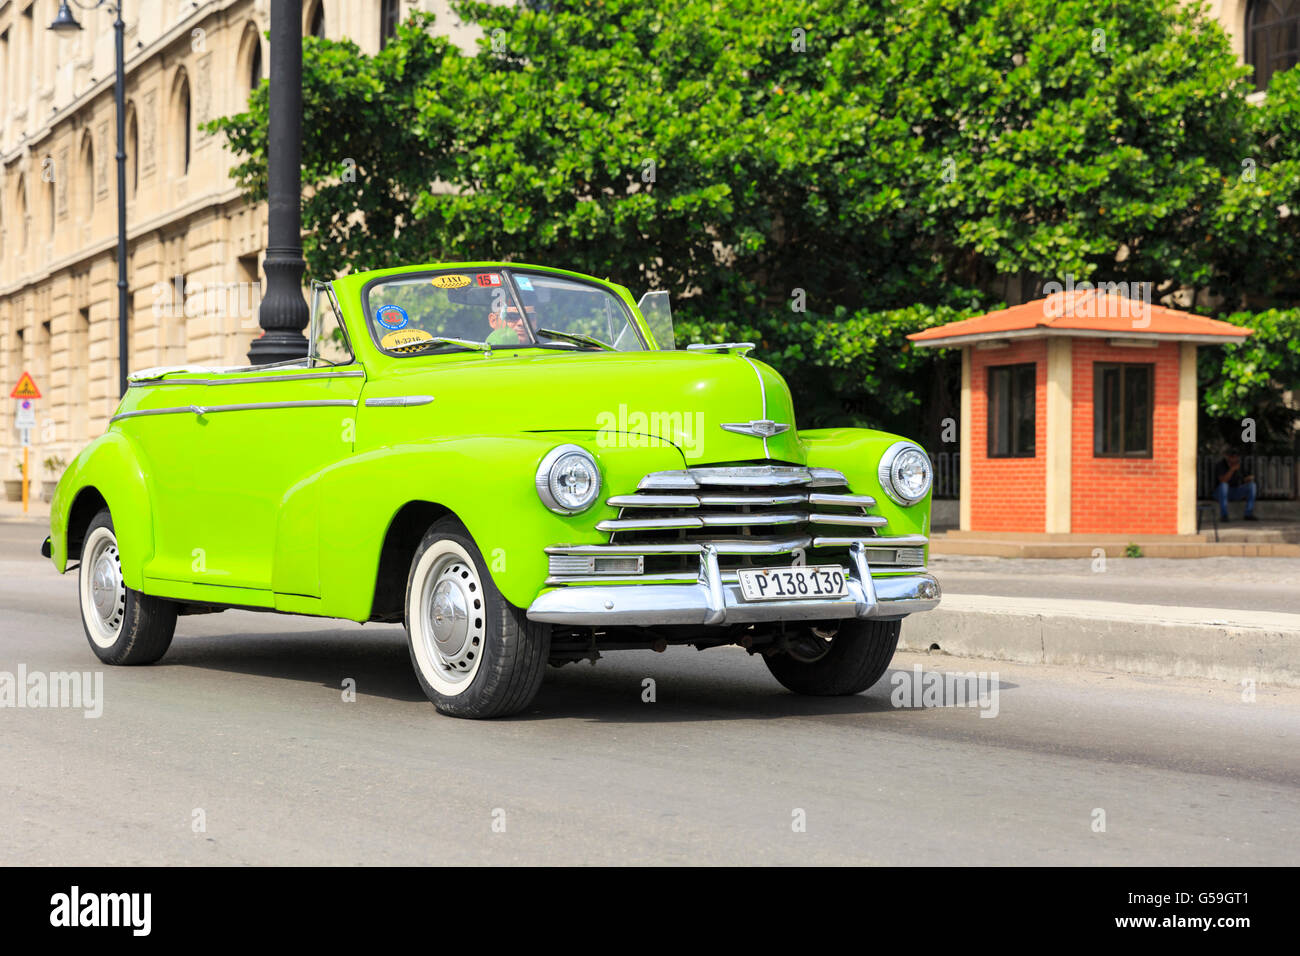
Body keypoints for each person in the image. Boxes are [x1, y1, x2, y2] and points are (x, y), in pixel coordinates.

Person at [1214, 450, 1257, 521]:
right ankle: (1224, 515)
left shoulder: (1239, 465)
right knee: (1224, 485)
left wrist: (1248, 479)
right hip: (1220, 493)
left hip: (1235, 491)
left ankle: (1248, 514)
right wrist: (1232, 470)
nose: (1235, 459)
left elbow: (1244, 478)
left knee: (1252, 485)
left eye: (1236, 457)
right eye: (1232, 457)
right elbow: (1223, 480)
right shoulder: (1221, 465)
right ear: (1228, 457)